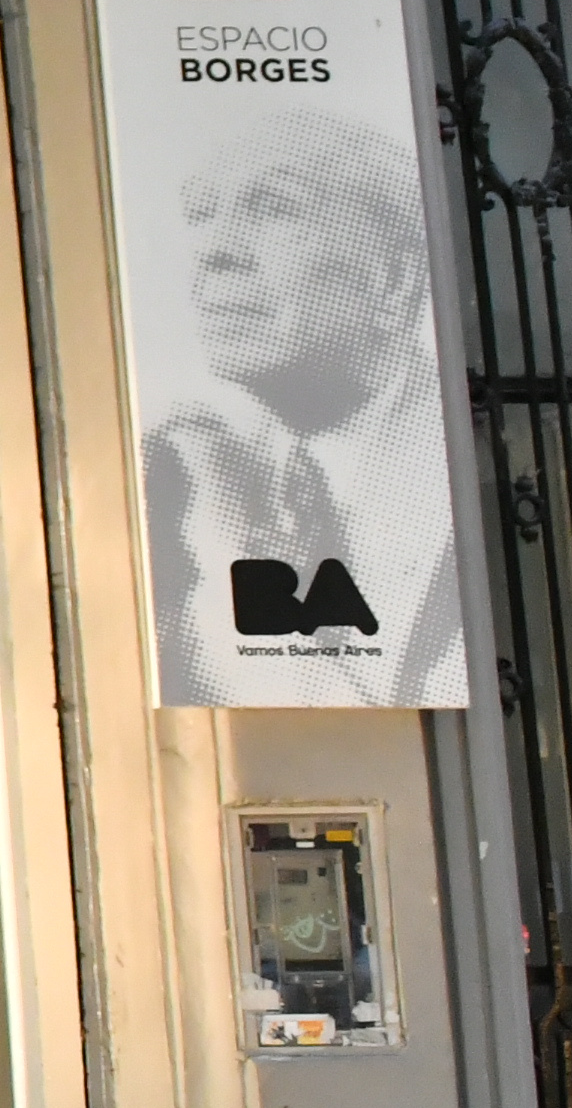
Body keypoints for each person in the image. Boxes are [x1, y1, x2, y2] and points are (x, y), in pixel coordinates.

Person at [140, 114, 466, 705]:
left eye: (273, 209)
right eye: (200, 214)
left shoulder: (466, 500)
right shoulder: (174, 475)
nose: (213, 251)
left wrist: (233, 547)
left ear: (394, 280)